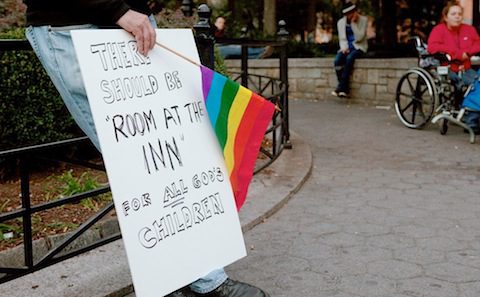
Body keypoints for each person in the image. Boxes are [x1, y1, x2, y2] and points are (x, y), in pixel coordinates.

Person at [22, 1, 269, 296]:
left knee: (170, 157)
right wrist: (118, 10)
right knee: (140, 162)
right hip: (76, 24)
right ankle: (194, 280)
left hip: (130, 21)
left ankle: (188, 277)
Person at [427, 1, 480, 134]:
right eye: (453, 14)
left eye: (460, 14)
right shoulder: (439, 30)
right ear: (446, 17)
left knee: (476, 83)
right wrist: (456, 53)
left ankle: (471, 118)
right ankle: (471, 122)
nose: (457, 16)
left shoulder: (469, 30)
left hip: (466, 67)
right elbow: (432, 47)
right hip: (448, 68)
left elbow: (478, 44)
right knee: (469, 85)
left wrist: (467, 53)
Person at [331, 1, 368, 98]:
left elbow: (360, 37)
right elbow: (342, 38)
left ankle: (341, 88)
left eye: (352, 12)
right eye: (348, 14)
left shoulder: (363, 20)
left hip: (358, 47)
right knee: (337, 61)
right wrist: (344, 48)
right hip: (346, 47)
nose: (350, 15)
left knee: (349, 59)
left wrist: (353, 24)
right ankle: (344, 88)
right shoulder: (341, 23)